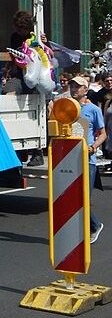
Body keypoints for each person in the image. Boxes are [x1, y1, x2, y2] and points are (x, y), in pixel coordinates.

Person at [67, 75, 106, 244]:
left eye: (78, 87)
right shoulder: (66, 107)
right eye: (72, 86)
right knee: (71, 198)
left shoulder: (93, 110)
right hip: (68, 159)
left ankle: (95, 225)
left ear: (86, 90)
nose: (74, 89)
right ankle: (79, 231)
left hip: (87, 159)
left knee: (83, 199)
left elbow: (103, 134)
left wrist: (93, 148)